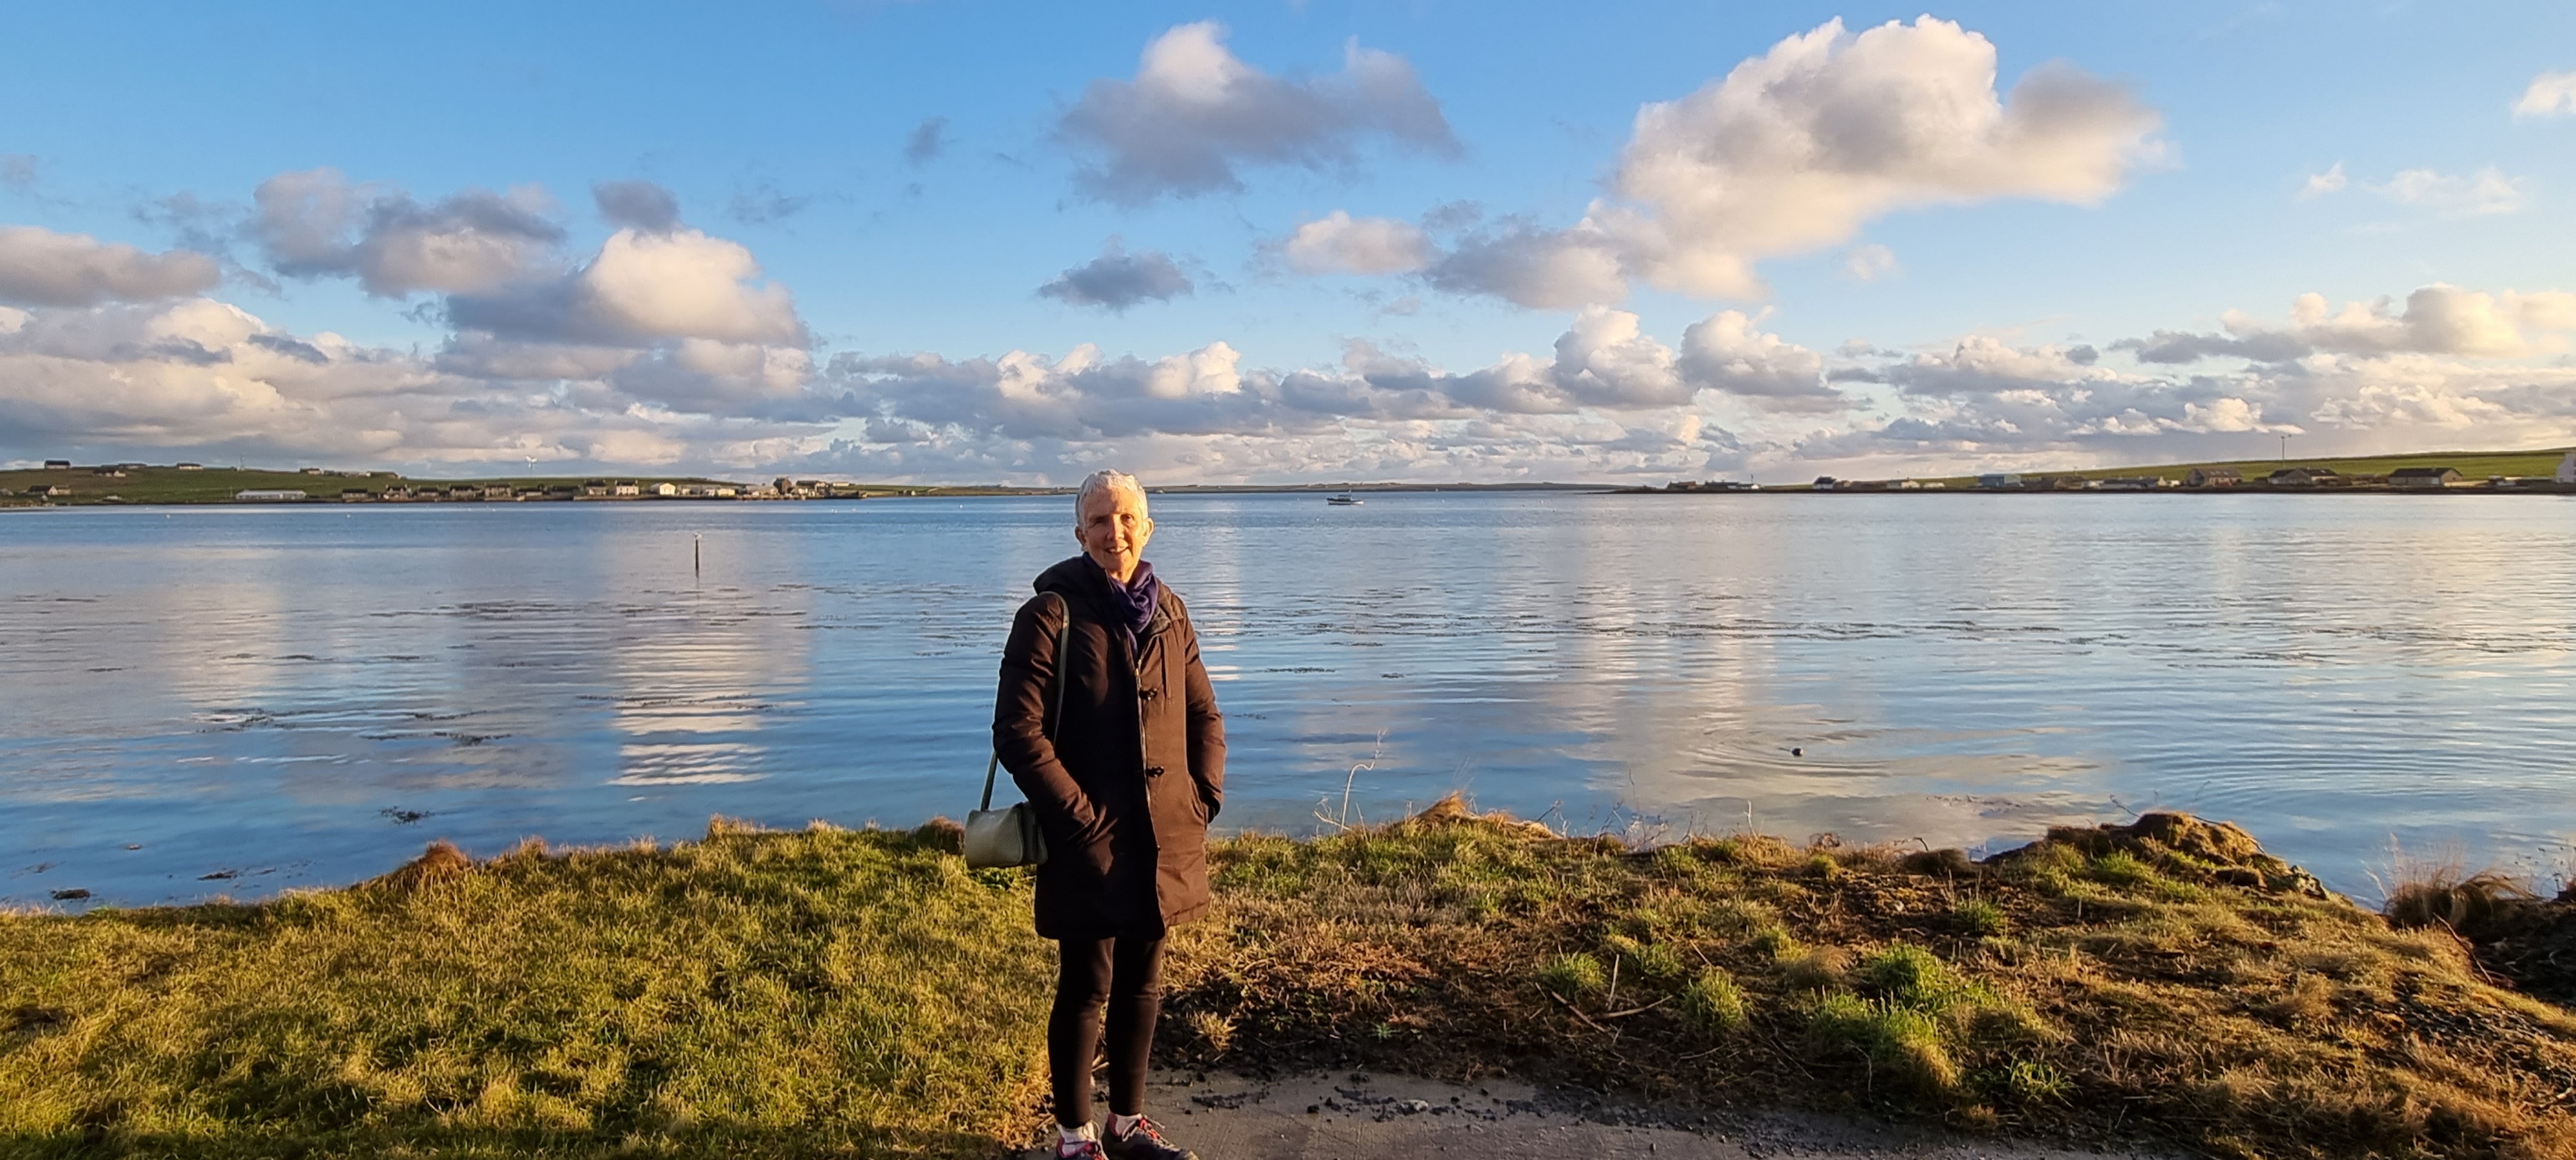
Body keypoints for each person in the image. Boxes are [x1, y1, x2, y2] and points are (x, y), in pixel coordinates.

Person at [995, 469, 1224, 1160]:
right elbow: (1017, 732)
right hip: (1088, 839)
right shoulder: (1051, 615)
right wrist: (1079, 818)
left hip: (1166, 835)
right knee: (1088, 984)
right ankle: (1075, 1137)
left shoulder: (1170, 611)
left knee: (1144, 983)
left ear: (1148, 528)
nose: (1114, 532)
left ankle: (1127, 1123)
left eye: (1126, 518)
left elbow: (1203, 713)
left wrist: (1202, 795)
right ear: (1079, 533)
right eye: (1099, 520)